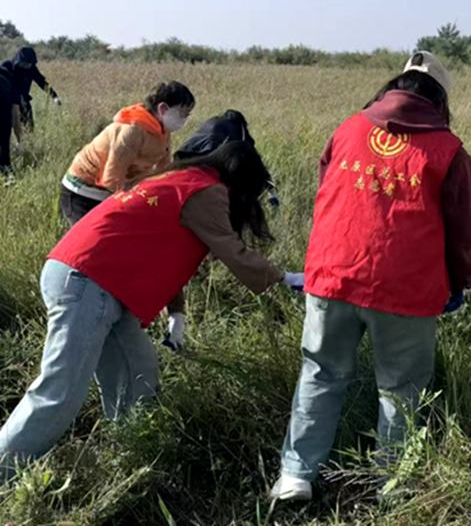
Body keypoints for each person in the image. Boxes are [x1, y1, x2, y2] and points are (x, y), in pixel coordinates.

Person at [0, 141, 304, 482]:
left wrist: (177, 314)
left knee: (138, 373)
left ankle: (124, 461)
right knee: (60, 392)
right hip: (89, 282)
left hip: (91, 280)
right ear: (242, 183)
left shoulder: (178, 180)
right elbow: (233, 251)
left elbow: (159, 250)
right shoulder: (208, 191)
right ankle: (3, 472)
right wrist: (285, 278)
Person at [273, 51, 471, 501]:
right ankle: (390, 483)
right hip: (405, 289)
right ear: (440, 100)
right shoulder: (449, 150)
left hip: (332, 276)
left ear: (394, 87)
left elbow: (327, 193)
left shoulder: (348, 128)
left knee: (320, 373)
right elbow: (463, 229)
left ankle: (295, 477)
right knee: (401, 389)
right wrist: (459, 281)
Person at [59, 81, 195, 225]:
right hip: (83, 191)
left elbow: (163, 170)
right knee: (90, 235)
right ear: (163, 109)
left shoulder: (162, 131)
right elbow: (112, 178)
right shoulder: (133, 130)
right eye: (182, 114)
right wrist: (134, 200)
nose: (184, 120)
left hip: (113, 191)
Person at [175, 109, 279, 207]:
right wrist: (270, 189)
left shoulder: (211, 123)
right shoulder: (238, 129)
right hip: (209, 163)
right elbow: (251, 159)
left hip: (181, 164)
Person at [8, 47, 61, 131]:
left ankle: (28, 138)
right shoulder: (8, 68)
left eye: (28, 64)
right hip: (8, 101)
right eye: (24, 63)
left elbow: (42, 82)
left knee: (29, 127)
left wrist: (54, 96)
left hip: (24, 101)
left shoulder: (32, 69)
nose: (26, 66)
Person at [0, 64, 14, 174]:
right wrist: (20, 140)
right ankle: (7, 173)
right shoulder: (7, 82)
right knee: (4, 149)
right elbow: (16, 112)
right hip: (5, 120)